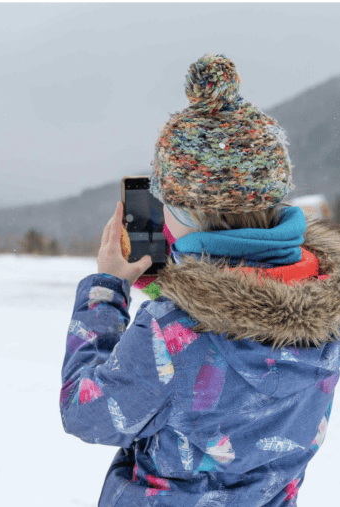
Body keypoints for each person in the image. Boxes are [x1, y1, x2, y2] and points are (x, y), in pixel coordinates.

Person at [59, 54, 340, 505]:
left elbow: (85, 411)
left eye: (167, 202)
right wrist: (180, 288)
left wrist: (106, 291)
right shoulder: (328, 305)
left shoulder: (171, 333)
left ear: (186, 213)